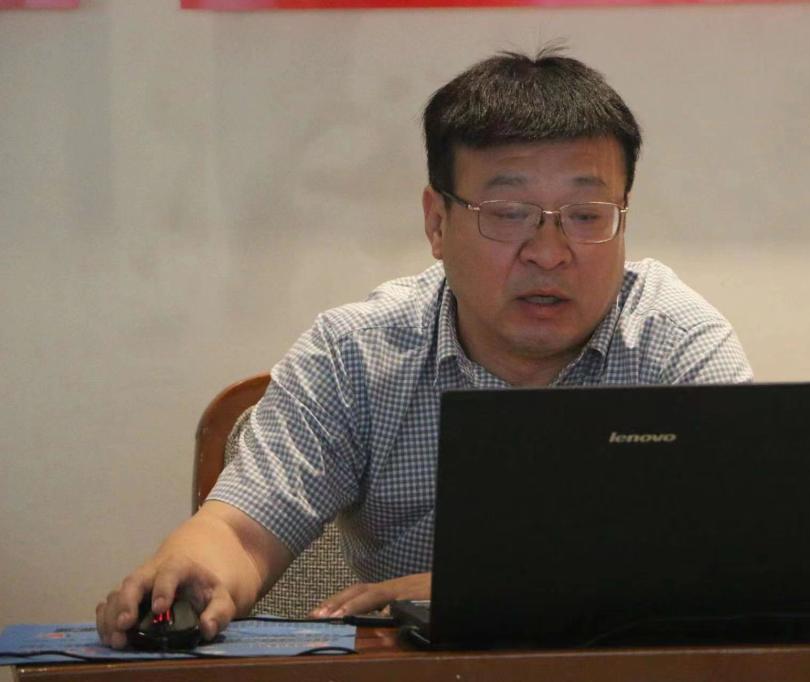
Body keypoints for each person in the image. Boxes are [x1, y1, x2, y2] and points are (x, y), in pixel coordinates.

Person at [96, 48, 752, 649]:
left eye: (586, 217)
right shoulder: (354, 357)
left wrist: (481, 593)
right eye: (508, 214)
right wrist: (188, 568)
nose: (550, 253)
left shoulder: (674, 344)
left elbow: (742, 563)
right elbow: (239, 532)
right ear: (438, 222)